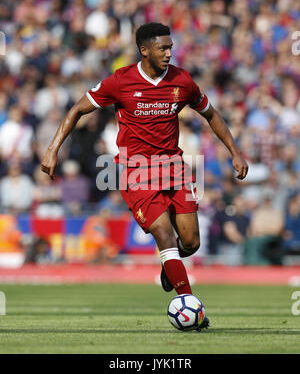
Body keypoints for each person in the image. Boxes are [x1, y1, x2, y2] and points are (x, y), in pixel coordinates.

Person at [41, 22, 248, 330]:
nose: (169, 53)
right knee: (164, 233)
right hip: (134, 170)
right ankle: (190, 307)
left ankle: (171, 266)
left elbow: (211, 113)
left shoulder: (182, 81)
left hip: (174, 168)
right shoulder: (121, 81)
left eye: (170, 47)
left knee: (190, 243)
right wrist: (52, 150)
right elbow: (76, 111)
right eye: (163, 48)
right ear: (145, 50)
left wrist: (234, 150)